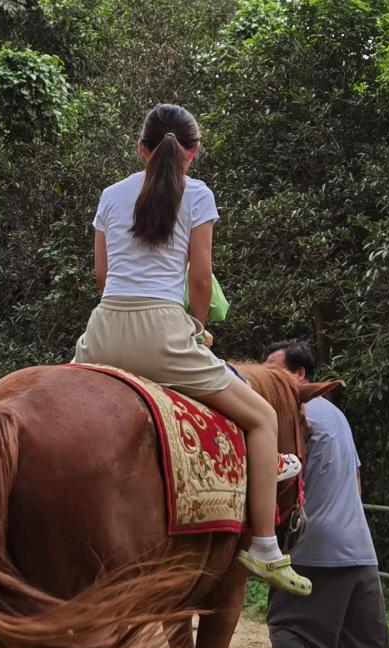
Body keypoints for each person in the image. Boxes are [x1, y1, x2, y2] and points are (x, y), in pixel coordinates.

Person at [72, 103, 310, 596]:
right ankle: (265, 546)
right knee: (264, 417)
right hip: (162, 331)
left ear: (140, 150)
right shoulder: (197, 195)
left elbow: (101, 277)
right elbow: (200, 278)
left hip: (103, 330)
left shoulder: (110, 196)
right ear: (193, 153)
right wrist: (197, 328)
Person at [262, 340, 389, 648]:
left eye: (274, 370)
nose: (267, 378)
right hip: (360, 546)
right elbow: (354, 481)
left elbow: (277, 477)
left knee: (286, 621)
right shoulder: (337, 415)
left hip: (314, 545)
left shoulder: (293, 414)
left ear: (300, 376)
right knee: (357, 635)